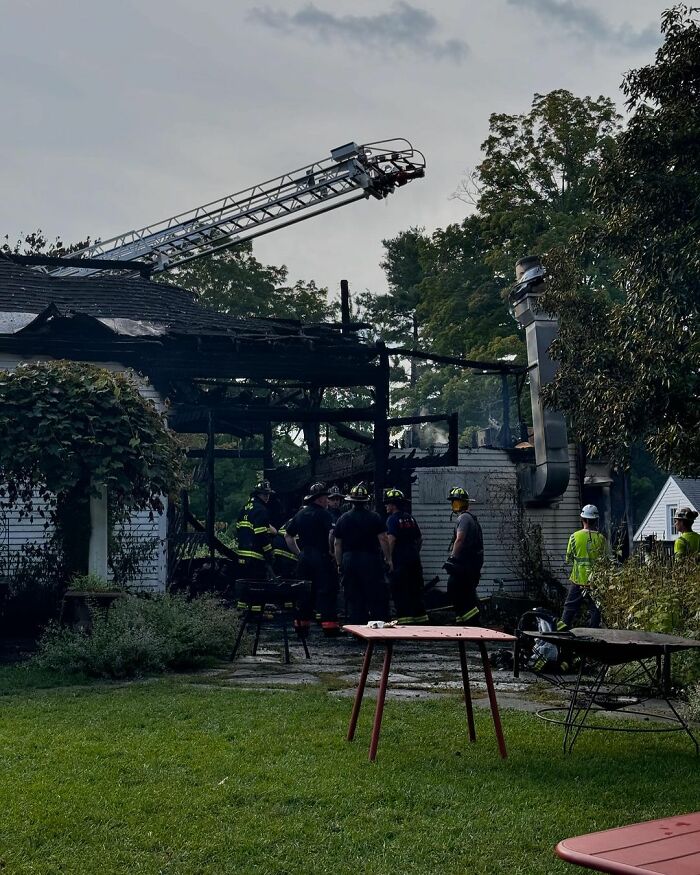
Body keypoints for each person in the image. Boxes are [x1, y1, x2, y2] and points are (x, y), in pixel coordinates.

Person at [285, 482, 340, 636]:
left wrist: (299, 553)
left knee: (304, 593)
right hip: (321, 558)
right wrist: (332, 553)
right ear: (320, 499)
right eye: (325, 497)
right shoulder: (324, 514)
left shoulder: (300, 514)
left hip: (304, 558)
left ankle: (301, 628)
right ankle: (330, 629)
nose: (327, 501)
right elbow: (331, 534)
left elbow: (288, 536)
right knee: (327, 591)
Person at [333, 483, 391, 625]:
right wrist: (388, 559)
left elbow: (337, 544)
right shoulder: (375, 517)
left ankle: (357, 629)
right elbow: (383, 539)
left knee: (354, 596)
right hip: (370, 560)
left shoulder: (343, 519)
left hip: (350, 560)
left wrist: (339, 563)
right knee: (375, 594)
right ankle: (378, 628)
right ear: (366, 501)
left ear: (351, 501)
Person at [558, 504, 608, 630]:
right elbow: (607, 560)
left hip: (578, 580)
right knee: (595, 610)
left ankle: (561, 633)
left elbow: (568, 559)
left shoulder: (574, 537)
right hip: (596, 581)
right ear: (596, 520)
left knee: (569, 608)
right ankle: (594, 635)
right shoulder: (601, 539)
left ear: (583, 519)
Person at [384, 488, 428, 624]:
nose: (386, 506)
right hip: (414, 560)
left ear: (393, 505)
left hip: (400, 562)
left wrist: (389, 559)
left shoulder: (392, 520)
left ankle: (405, 622)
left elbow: (391, 539)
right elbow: (419, 539)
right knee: (415, 589)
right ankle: (421, 620)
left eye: (387, 504)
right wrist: (414, 552)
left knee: (401, 590)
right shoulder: (410, 518)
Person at [444, 486, 484, 625]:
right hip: (470, 566)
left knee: (456, 588)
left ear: (464, 503)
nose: (455, 505)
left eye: (457, 502)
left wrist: (452, 558)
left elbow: (460, 539)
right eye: (454, 502)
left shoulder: (464, 518)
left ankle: (472, 622)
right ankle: (463, 622)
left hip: (465, 565)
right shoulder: (470, 519)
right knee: (464, 592)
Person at [234, 480, 276, 580]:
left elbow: (238, 529)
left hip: (242, 555)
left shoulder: (244, 508)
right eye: (264, 494)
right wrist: (269, 552)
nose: (267, 497)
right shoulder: (261, 510)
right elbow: (261, 533)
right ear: (257, 494)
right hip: (255, 558)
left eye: (268, 494)